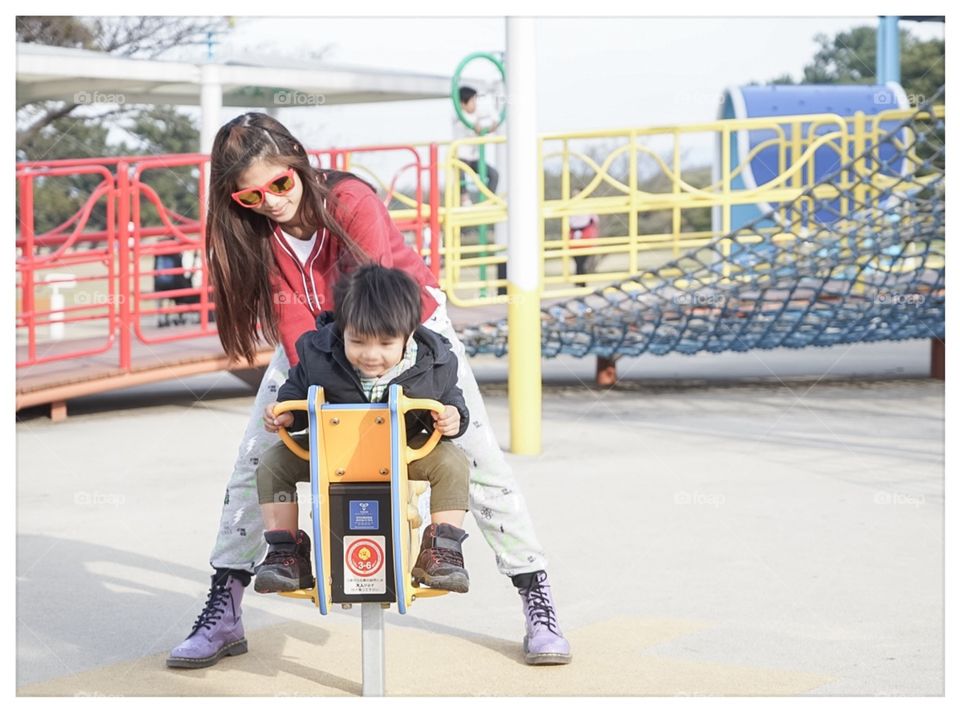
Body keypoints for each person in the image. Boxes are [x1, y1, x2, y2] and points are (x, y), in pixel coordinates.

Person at [166, 112, 571, 669]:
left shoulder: (350, 201)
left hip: (402, 330)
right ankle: (226, 607)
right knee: (255, 458)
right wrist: (307, 405)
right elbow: (294, 331)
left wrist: (368, 398)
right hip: (315, 347)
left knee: (476, 457)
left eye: (280, 183)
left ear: (298, 161)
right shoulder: (257, 231)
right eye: (250, 196)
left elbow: (378, 303)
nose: (272, 202)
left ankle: (536, 600)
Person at [255, 265, 472, 594]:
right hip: (333, 449)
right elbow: (296, 390)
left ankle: (441, 548)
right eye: (357, 341)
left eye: (386, 344)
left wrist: (453, 416)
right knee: (273, 464)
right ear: (343, 329)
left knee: (453, 463)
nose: (371, 355)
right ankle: (286, 552)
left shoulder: (434, 362)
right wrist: (286, 415)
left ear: (408, 333)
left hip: (404, 449)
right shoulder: (318, 354)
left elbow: (450, 398)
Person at [453, 85, 500, 197]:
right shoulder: (458, 116)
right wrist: (482, 127)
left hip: (473, 158)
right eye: (472, 101)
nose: (475, 104)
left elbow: (491, 113)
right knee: (460, 172)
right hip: (460, 157)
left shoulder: (476, 112)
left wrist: (493, 123)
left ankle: (488, 199)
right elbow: (473, 126)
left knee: (493, 174)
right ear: (463, 104)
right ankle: (464, 198)